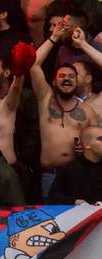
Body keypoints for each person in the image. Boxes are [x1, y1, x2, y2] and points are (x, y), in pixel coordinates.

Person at [29, 23, 99, 195]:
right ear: (53, 81)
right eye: (62, 76)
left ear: (77, 82)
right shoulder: (45, 99)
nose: (66, 79)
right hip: (50, 176)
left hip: (80, 175)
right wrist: (53, 38)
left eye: (71, 76)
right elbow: (32, 64)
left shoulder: (87, 111)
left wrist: (83, 44)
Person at [48, 124, 102, 205]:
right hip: (80, 214)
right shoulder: (69, 169)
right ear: (87, 144)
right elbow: (53, 197)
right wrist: (74, 201)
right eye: (100, 139)